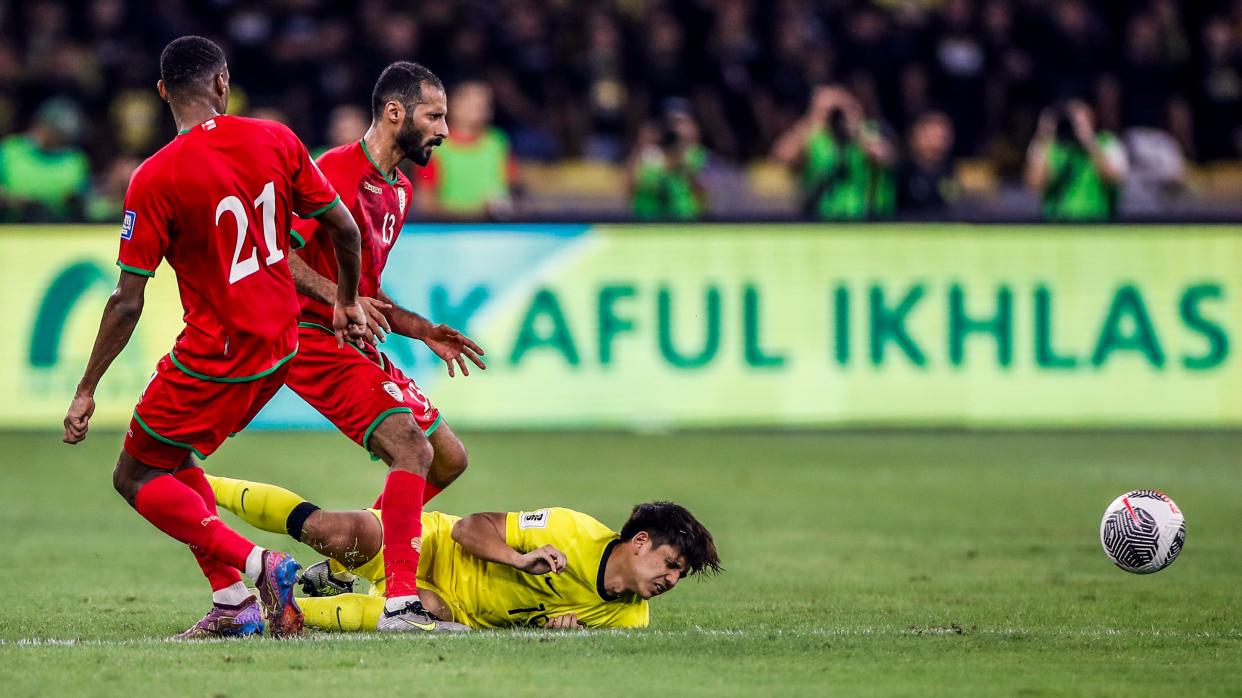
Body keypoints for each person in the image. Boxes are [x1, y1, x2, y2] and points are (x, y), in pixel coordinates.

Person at [61, 36, 368, 640]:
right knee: (175, 458)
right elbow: (345, 228)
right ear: (223, 84)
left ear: (160, 94)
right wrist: (346, 300)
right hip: (280, 346)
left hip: (216, 354)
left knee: (135, 476)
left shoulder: (153, 179)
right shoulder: (276, 138)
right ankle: (232, 602)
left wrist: (86, 387)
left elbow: (127, 300)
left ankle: (261, 567)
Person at [286, 61, 487, 633]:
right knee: (413, 451)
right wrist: (335, 298)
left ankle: (341, 563)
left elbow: (368, 295)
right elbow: (280, 255)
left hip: (353, 337)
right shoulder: (331, 173)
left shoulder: (398, 190)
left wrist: (422, 329)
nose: (445, 130)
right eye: (435, 115)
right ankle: (401, 602)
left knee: (449, 458)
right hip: (309, 338)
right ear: (395, 113)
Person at [207, 474, 723, 630]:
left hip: (456, 610)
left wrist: (569, 636)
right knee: (335, 530)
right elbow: (470, 529)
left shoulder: (630, 622)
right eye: (671, 563)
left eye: (680, 574)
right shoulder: (571, 530)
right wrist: (518, 558)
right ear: (639, 541)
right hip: (431, 545)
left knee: (420, 616)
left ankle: (277, 611)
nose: (671, 580)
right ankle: (198, 484)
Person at [772, 85, 896, 220]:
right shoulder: (816, 137)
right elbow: (780, 158)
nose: (838, 116)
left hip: (867, 217)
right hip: (821, 218)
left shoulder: (869, 131)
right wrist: (815, 117)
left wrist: (854, 123)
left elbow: (886, 158)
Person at [413, 81, 519, 219]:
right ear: (452, 104)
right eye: (469, 100)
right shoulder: (432, 146)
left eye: (484, 102)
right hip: (449, 230)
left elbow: (514, 188)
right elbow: (425, 204)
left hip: (495, 231)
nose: (478, 106)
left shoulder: (498, 142)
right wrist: (475, 214)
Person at [1024, 100, 1127, 221]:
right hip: (1056, 224)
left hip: (1098, 223)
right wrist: (1045, 134)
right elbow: (1034, 184)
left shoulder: (1107, 142)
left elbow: (1113, 180)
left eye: (1079, 122)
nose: (1074, 126)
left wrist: (1090, 142)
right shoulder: (1047, 146)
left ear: (1092, 119)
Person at [0, 97, 90, 221]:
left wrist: (74, 201)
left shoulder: (75, 159)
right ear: (41, 124)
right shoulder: (10, 150)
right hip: (11, 227)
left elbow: (84, 200)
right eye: (54, 132)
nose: (59, 139)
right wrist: (12, 199)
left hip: (59, 230)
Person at [627, 99, 710, 221]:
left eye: (680, 122)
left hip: (686, 222)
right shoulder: (648, 155)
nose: (675, 129)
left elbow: (705, 193)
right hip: (648, 223)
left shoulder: (699, 156)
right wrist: (641, 145)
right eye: (671, 123)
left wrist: (682, 153)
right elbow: (630, 187)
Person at [896, 111, 959, 215]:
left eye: (942, 137)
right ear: (914, 135)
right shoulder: (896, 172)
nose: (937, 144)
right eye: (931, 136)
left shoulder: (954, 173)